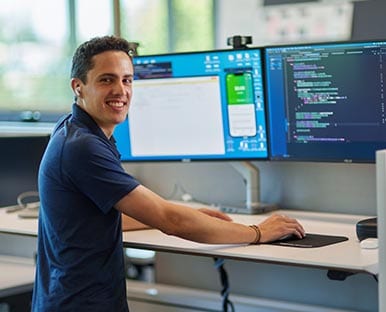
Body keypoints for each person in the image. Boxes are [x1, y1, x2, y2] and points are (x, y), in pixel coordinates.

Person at [31, 35, 305, 311]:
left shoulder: (76, 129)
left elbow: (97, 215)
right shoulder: (83, 147)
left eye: (127, 80)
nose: (121, 90)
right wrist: (257, 231)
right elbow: (170, 220)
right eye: (107, 80)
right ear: (78, 86)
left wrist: (195, 216)